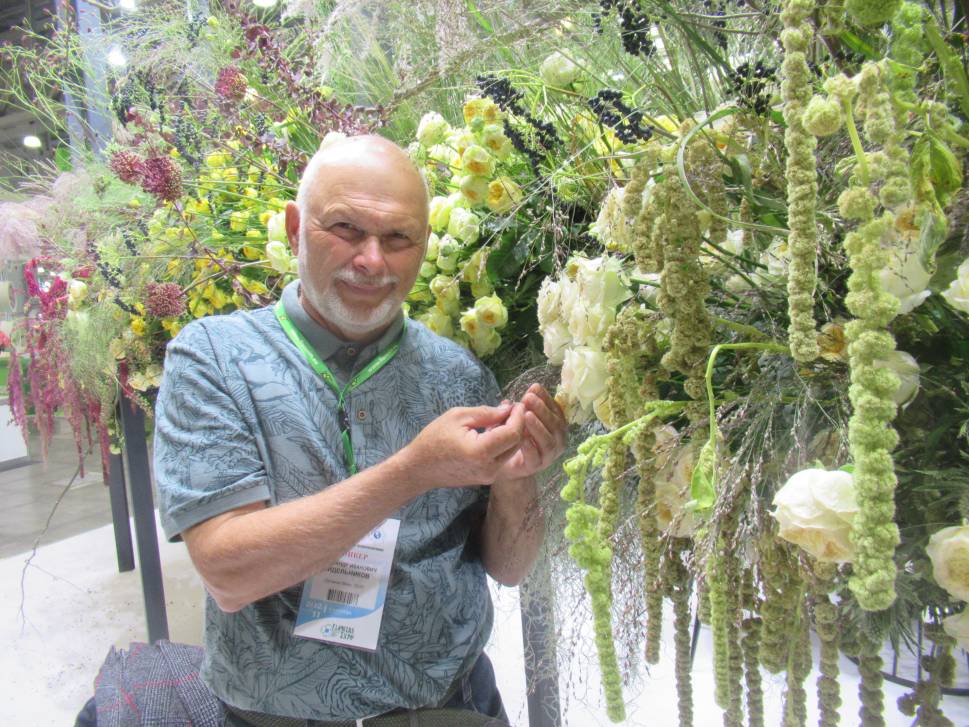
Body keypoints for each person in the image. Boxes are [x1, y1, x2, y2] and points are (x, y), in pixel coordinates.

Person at [149, 134, 568, 725]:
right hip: (279, 713)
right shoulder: (215, 360)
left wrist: (517, 480)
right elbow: (228, 572)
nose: (373, 260)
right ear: (294, 229)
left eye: (398, 238)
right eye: (345, 229)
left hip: (449, 701)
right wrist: (414, 471)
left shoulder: (457, 373)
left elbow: (510, 566)